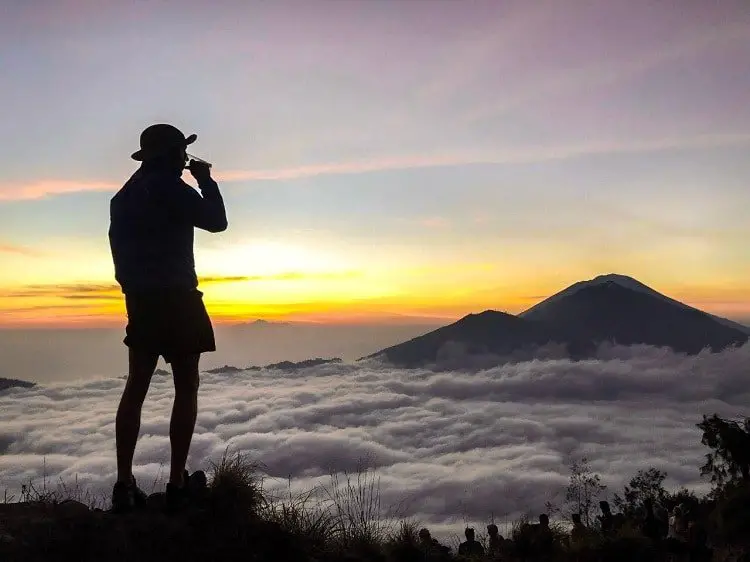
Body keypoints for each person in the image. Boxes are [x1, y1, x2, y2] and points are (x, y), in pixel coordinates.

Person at [108, 123, 227, 513]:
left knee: (136, 386)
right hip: (178, 299)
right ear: (171, 154)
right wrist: (206, 180)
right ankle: (177, 483)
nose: (185, 159)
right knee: (186, 385)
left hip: (140, 302)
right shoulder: (173, 189)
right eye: (182, 152)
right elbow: (216, 221)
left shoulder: (123, 197)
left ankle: (124, 485)